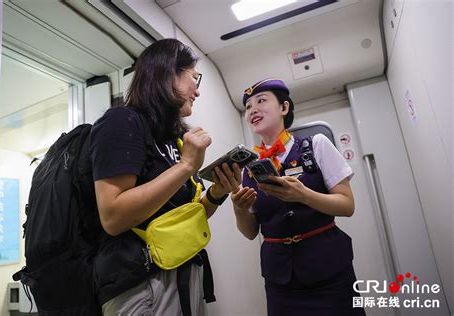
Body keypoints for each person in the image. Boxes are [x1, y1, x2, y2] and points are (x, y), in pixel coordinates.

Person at [90, 38, 241, 316]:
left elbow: (181, 218)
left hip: (182, 268)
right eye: (194, 78)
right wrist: (185, 167)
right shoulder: (123, 121)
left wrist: (217, 193)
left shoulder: (175, 137)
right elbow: (113, 217)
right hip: (141, 283)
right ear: (168, 72)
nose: (197, 90)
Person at [231, 78, 365, 315]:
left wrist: (304, 195)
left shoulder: (316, 145)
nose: (253, 110)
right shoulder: (249, 168)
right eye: (248, 106)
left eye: (261, 101)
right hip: (280, 282)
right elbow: (250, 232)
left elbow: (347, 205)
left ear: (284, 108)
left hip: (329, 271)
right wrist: (239, 210)